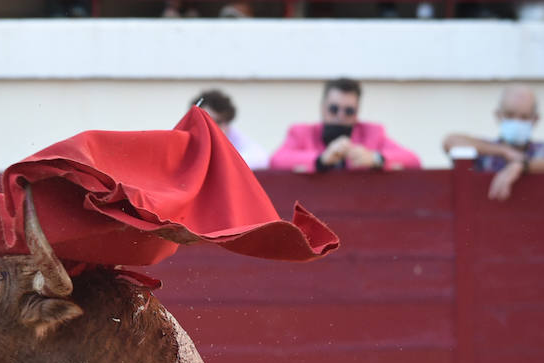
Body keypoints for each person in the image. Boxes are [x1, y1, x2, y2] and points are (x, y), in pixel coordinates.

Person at [269, 78, 421, 173]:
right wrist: (320, 160)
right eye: (334, 109)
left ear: (357, 113)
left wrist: (375, 158)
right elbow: (276, 160)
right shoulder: (303, 133)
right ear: (322, 108)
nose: (340, 116)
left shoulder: (372, 134)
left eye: (348, 111)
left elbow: (413, 160)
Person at [442, 83, 543, 201]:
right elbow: (450, 141)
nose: (516, 121)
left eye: (524, 117)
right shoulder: (485, 151)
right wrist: (505, 151)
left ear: (535, 119)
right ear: (498, 115)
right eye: (510, 115)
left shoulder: (540, 151)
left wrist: (521, 166)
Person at [191, 88, 269, 170]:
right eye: (207, 121)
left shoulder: (234, 137)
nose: (213, 127)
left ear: (227, 122)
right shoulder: (188, 137)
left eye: (218, 122)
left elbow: (260, 158)